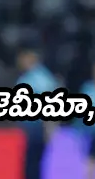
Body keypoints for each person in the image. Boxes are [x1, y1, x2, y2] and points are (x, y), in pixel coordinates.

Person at [16, 49, 60, 179]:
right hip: (28, 128)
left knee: (33, 162)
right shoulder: (28, 77)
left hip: (37, 127)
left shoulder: (41, 78)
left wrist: (50, 128)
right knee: (29, 162)